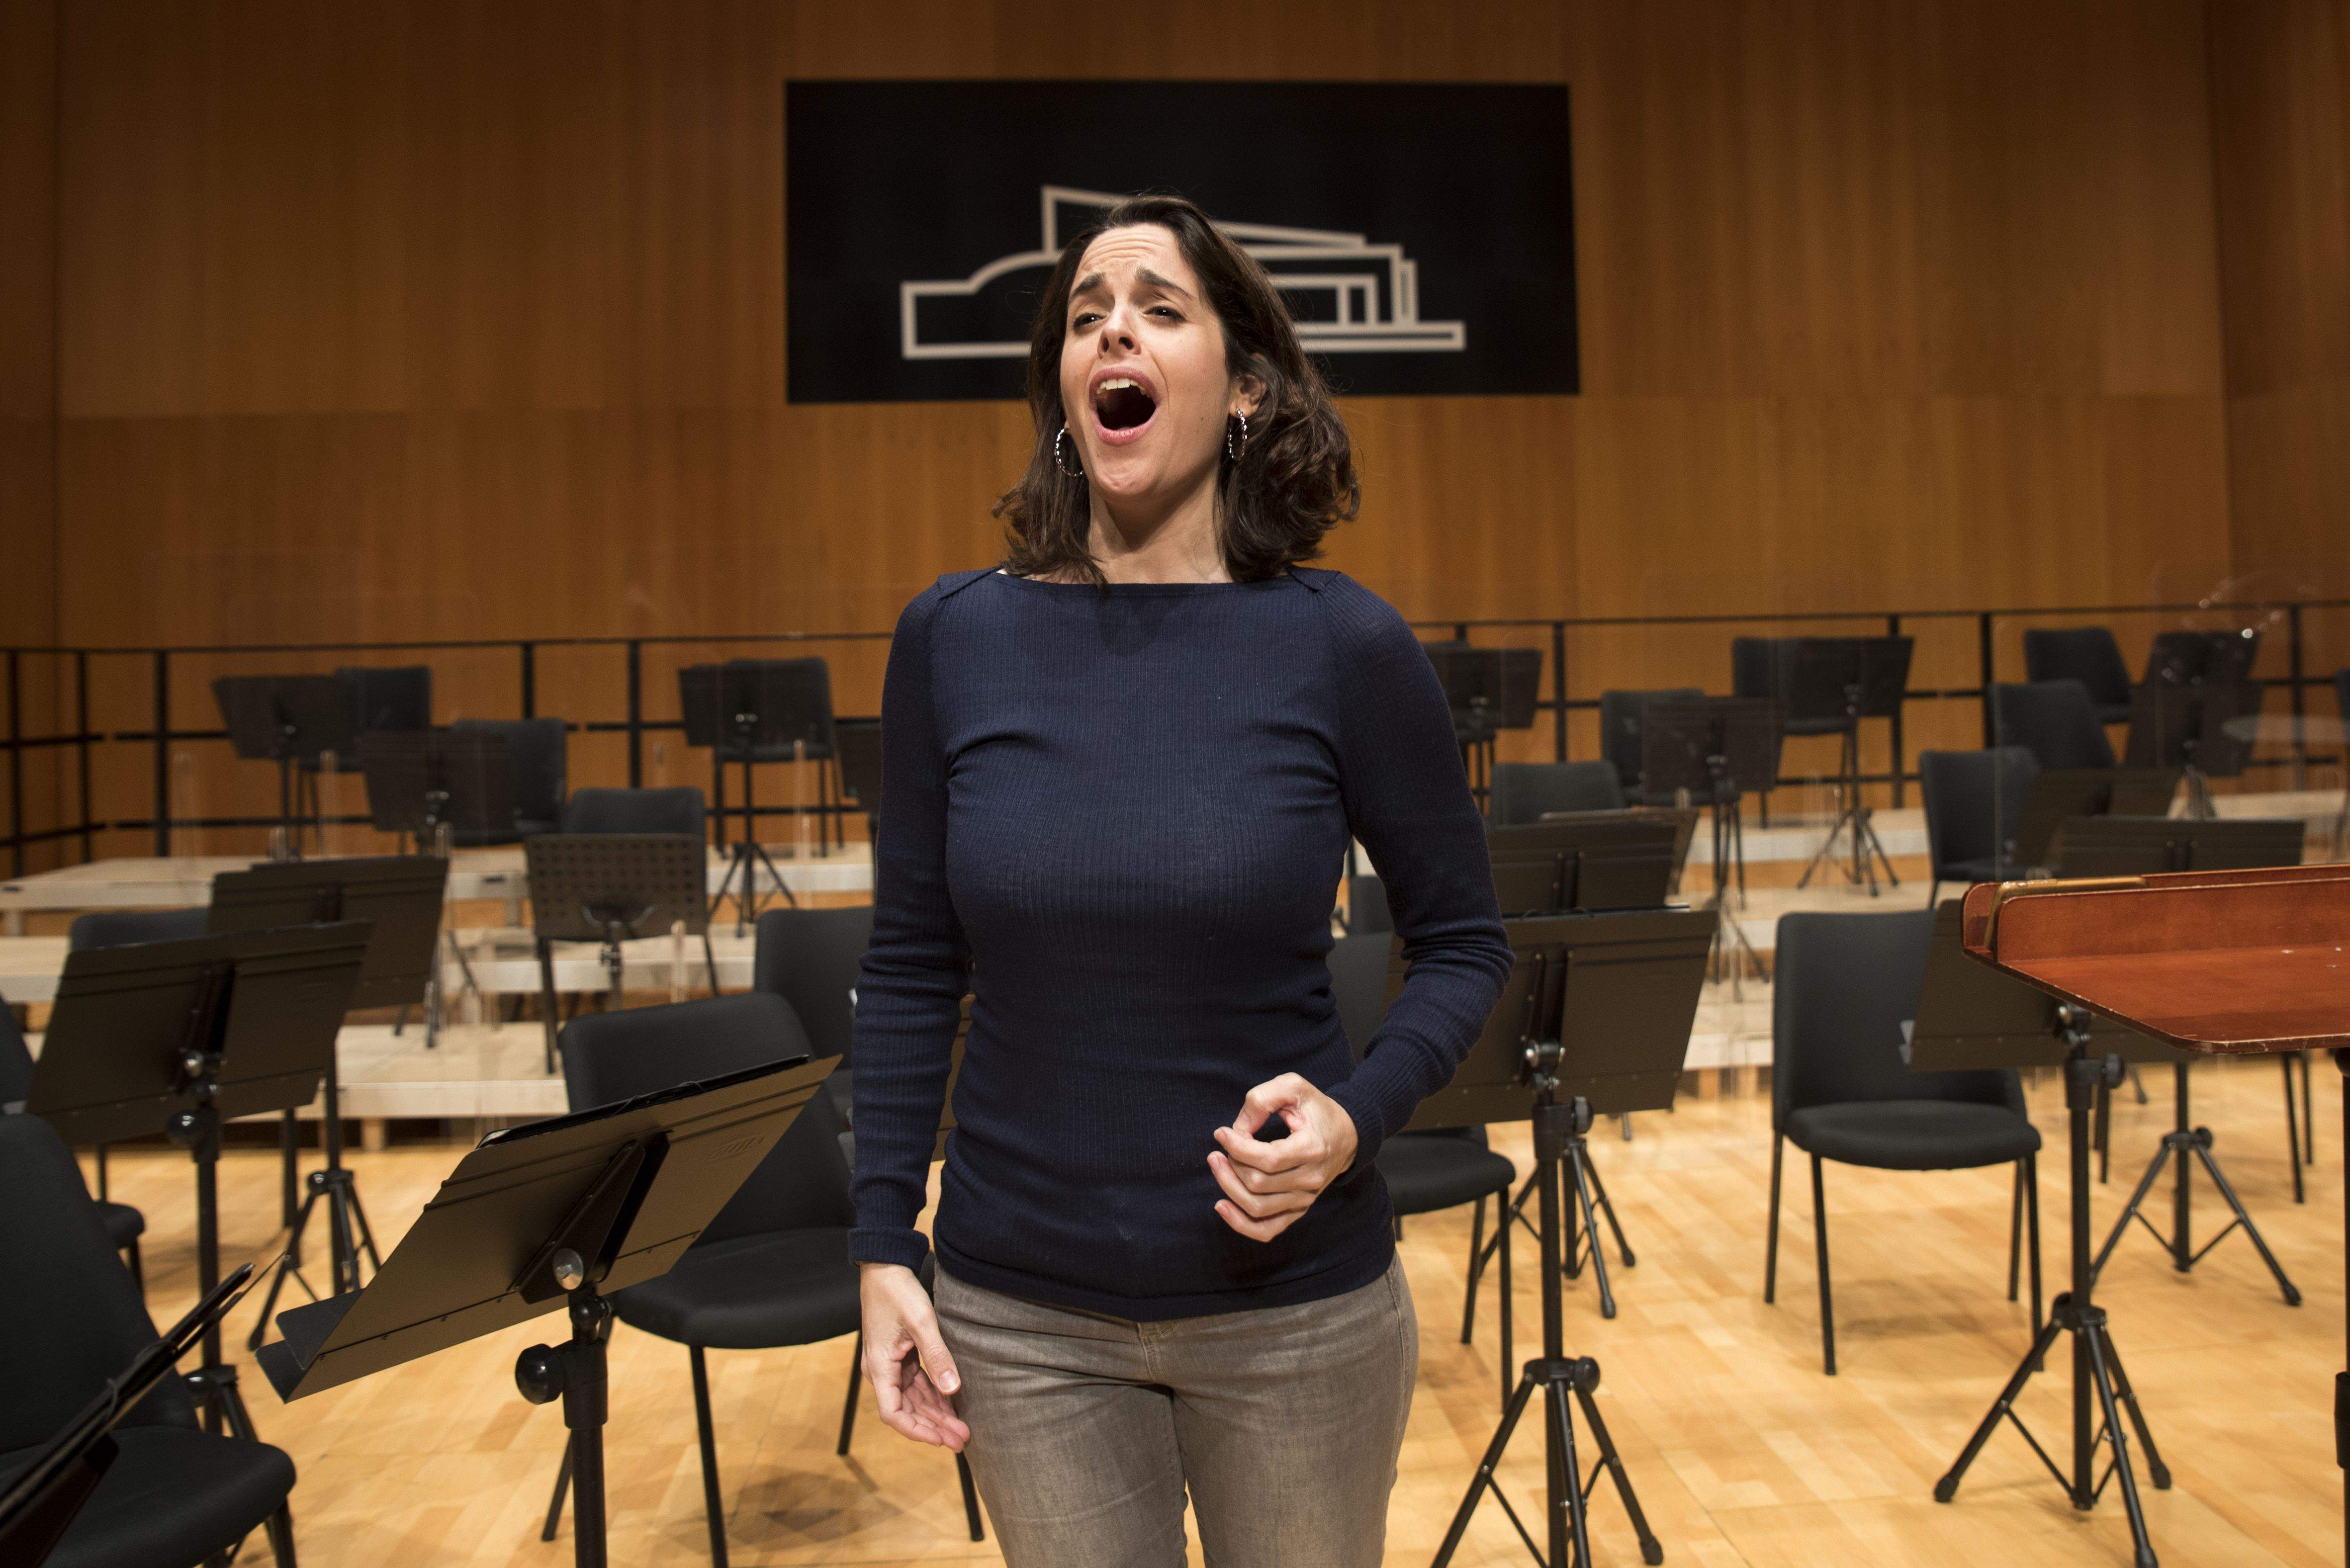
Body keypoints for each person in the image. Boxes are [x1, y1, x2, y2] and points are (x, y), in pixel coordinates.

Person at [849, 192, 1512, 1568]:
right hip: (1021, 1321)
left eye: (1159, 308)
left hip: (1296, 1313)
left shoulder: (1344, 644)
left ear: (1248, 386)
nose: (1114, 334)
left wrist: (1356, 1120)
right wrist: (882, 1243)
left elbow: (1465, 944)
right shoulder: (953, 639)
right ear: (1064, 388)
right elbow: (910, 966)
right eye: (1086, 316)